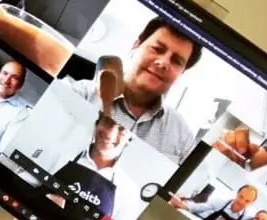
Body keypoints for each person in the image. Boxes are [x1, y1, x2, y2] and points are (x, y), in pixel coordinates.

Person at [70, 18, 203, 164]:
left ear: (181, 72)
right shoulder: (79, 94)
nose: (163, 62)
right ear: (136, 45)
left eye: (176, 61)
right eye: (157, 49)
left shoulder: (183, 139)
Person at [44, 113, 134, 220]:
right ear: (97, 123)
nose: (110, 133)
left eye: (122, 128)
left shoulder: (129, 193)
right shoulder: (59, 153)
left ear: (130, 138)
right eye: (108, 121)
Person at [170, 184, 259, 220]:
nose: (242, 202)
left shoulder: (246, 219)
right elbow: (197, 207)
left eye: (247, 201)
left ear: (251, 203)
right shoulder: (220, 202)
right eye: (241, 197)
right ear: (237, 193)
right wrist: (181, 203)